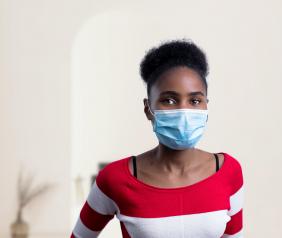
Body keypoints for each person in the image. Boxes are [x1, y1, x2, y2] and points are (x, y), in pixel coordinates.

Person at [70, 39, 244, 238]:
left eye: (195, 100)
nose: (184, 110)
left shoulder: (228, 171)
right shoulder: (114, 178)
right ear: (148, 109)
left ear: (206, 106)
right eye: (169, 100)